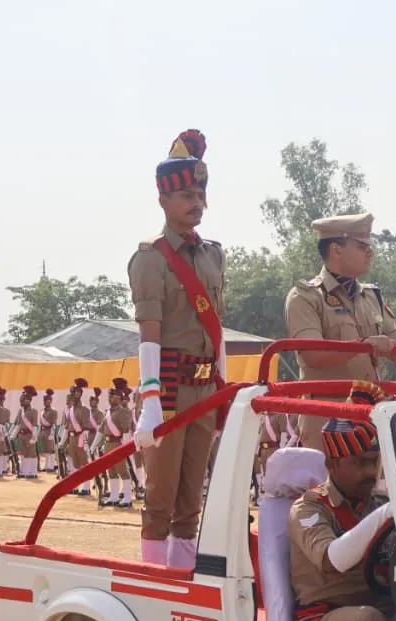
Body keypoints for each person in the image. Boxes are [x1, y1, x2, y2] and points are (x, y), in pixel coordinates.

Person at [128, 129, 228, 568]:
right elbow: (149, 330)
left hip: (204, 387)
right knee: (161, 498)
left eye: (201, 194)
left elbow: (217, 328)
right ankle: (154, 578)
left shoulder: (213, 255)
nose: (197, 202)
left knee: (191, 500)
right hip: (168, 386)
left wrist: (223, 386)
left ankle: (181, 575)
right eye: (187, 194)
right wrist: (150, 398)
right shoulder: (151, 257)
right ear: (163, 200)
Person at [288, 382, 396, 621]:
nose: (370, 472)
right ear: (332, 465)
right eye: (359, 463)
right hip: (324, 618)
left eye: (374, 461)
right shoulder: (309, 508)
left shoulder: (376, 503)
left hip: (379, 604)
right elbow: (331, 559)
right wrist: (385, 515)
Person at [284, 212, 396, 448]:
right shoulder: (305, 297)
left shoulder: (371, 296)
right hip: (327, 420)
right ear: (336, 250)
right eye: (362, 246)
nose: (370, 253)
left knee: (375, 474)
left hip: (371, 418)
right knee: (326, 475)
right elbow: (312, 355)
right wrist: (363, 345)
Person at [100, 379, 135, 507]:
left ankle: (127, 498)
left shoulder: (124, 412)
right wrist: (94, 446)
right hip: (108, 444)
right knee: (111, 471)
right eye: (110, 397)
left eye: (113, 397)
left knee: (123, 471)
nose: (110, 399)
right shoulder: (107, 412)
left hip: (118, 444)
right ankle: (114, 497)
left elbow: (126, 430)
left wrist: (124, 447)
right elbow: (101, 429)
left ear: (119, 398)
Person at [14, 386, 41, 479]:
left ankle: (32, 472)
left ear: (29, 400)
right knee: (23, 453)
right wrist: (13, 435)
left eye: (23, 399)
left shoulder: (34, 411)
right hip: (22, 435)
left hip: (30, 434)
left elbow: (35, 425)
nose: (21, 401)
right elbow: (18, 424)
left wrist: (34, 437)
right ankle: (24, 471)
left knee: (31, 453)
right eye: (21, 399)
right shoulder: (20, 411)